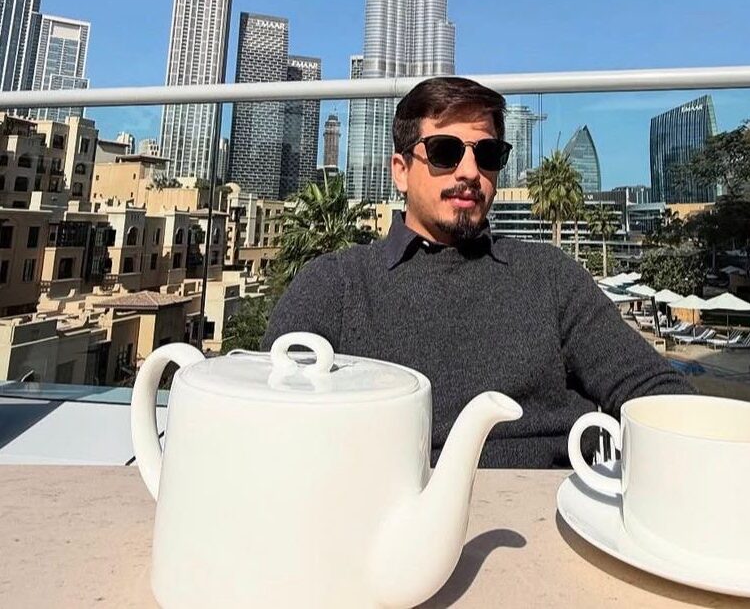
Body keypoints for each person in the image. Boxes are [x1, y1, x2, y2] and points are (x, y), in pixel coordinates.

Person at [262, 77, 694, 468]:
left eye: (487, 155)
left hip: (550, 508)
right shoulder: (336, 285)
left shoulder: (549, 277)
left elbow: (653, 390)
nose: (470, 172)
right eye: (445, 151)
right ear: (401, 171)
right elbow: (267, 419)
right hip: (380, 511)